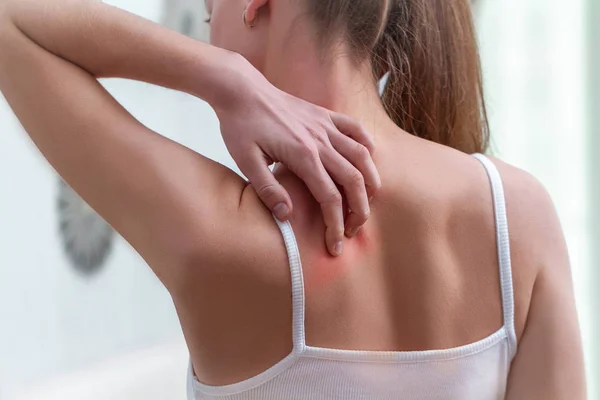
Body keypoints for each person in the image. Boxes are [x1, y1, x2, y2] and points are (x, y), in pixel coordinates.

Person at [0, 0, 586, 399]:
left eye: (209, 14)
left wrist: (223, 78)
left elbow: (12, 24)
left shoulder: (224, 238)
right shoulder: (520, 216)